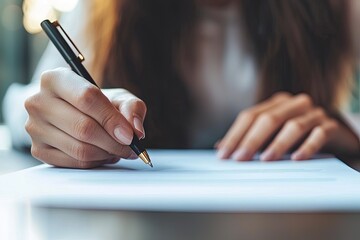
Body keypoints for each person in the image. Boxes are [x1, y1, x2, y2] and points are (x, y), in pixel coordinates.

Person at [3, 0, 360, 168]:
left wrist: (349, 131)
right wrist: (55, 116)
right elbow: (26, 100)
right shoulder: (104, 12)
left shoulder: (335, 7)